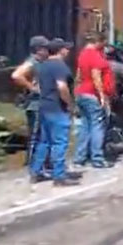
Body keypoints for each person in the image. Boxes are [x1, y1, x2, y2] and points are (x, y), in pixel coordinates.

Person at [32, 38, 80, 186]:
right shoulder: (59, 66)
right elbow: (62, 87)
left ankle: (36, 172)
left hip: (44, 106)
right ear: (60, 50)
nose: (68, 51)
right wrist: (70, 104)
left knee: (44, 141)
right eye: (66, 48)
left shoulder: (43, 65)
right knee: (60, 142)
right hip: (57, 108)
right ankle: (59, 176)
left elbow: (38, 85)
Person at [73, 32, 115, 169]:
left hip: (81, 93)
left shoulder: (82, 54)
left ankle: (80, 158)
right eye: (104, 43)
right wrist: (102, 95)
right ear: (99, 42)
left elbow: (78, 75)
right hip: (92, 94)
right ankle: (97, 158)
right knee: (98, 126)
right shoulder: (95, 55)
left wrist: (76, 90)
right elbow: (96, 76)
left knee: (85, 126)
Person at [11, 35, 49, 171]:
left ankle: (41, 162)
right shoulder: (32, 62)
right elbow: (16, 75)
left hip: (42, 103)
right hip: (34, 104)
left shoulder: (42, 63)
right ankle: (32, 163)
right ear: (38, 49)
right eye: (45, 48)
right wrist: (33, 88)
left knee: (42, 135)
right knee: (35, 135)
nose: (48, 51)